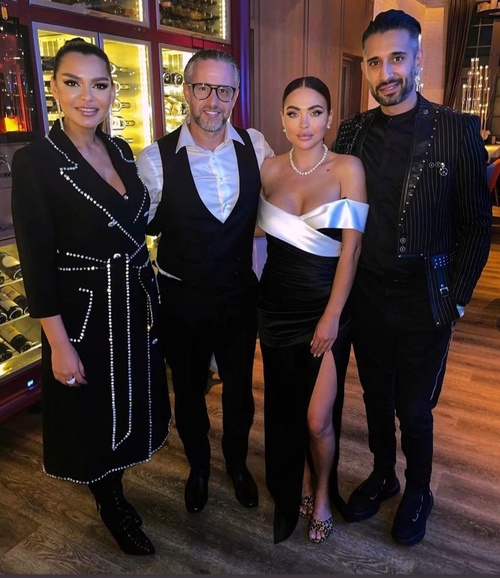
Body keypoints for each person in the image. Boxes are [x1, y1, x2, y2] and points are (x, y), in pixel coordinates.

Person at [332, 10, 492, 546]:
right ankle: (385, 474)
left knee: (414, 408)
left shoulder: (456, 129)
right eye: (374, 62)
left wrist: (456, 301)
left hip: (426, 297)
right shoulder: (352, 131)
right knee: (375, 396)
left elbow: (476, 227)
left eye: (397, 58)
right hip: (367, 294)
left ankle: (419, 489)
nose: (386, 73)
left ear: (417, 59)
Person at [11, 38, 171, 555]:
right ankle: (110, 499)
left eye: (99, 85)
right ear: (54, 89)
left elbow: (138, 220)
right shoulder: (36, 162)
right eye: (73, 83)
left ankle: (118, 479)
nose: (87, 96)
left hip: (132, 298)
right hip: (83, 312)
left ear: (111, 92)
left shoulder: (120, 150)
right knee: (94, 411)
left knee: (131, 400)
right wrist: (58, 344)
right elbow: (36, 262)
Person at [136, 49, 273, 514]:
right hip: (181, 299)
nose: (213, 101)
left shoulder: (255, 145)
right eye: (203, 88)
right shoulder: (155, 160)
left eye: (224, 90)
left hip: (239, 295)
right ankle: (198, 466)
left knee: (240, 391)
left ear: (235, 94)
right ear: (186, 91)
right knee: (189, 391)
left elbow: (276, 206)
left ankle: (236, 464)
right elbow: (137, 227)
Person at [257, 76, 368, 544]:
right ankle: (299, 482)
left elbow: (351, 251)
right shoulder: (268, 169)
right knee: (286, 409)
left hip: (325, 308)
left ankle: (322, 491)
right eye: (294, 112)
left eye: (315, 112)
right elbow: (252, 229)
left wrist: (332, 316)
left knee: (317, 419)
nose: (304, 123)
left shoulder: (348, 168)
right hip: (274, 309)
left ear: (329, 117)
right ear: (282, 119)